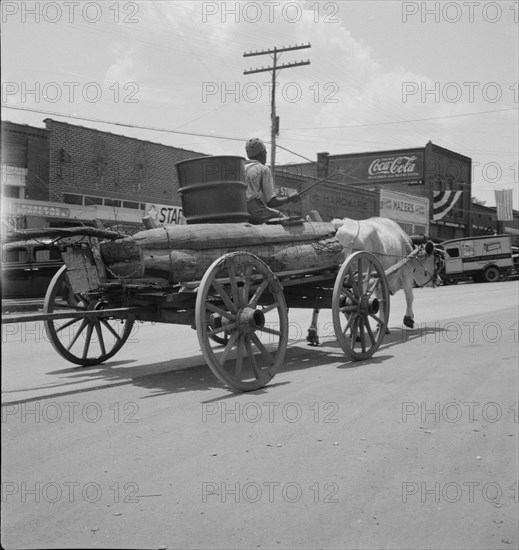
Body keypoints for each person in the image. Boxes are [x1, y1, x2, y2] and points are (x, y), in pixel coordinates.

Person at [244, 138, 300, 224]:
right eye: (265, 152)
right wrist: (290, 198)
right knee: (281, 217)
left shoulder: (240, 167)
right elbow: (271, 202)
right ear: (262, 153)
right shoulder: (263, 169)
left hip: (240, 211)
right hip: (254, 212)